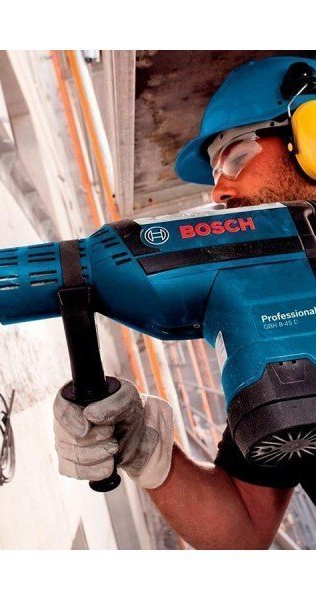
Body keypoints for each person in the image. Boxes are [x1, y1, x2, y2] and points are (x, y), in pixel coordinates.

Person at [53, 55, 316, 550]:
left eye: (236, 158)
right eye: (216, 171)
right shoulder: (280, 321)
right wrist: (149, 453)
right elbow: (243, 527)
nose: (219, 191)